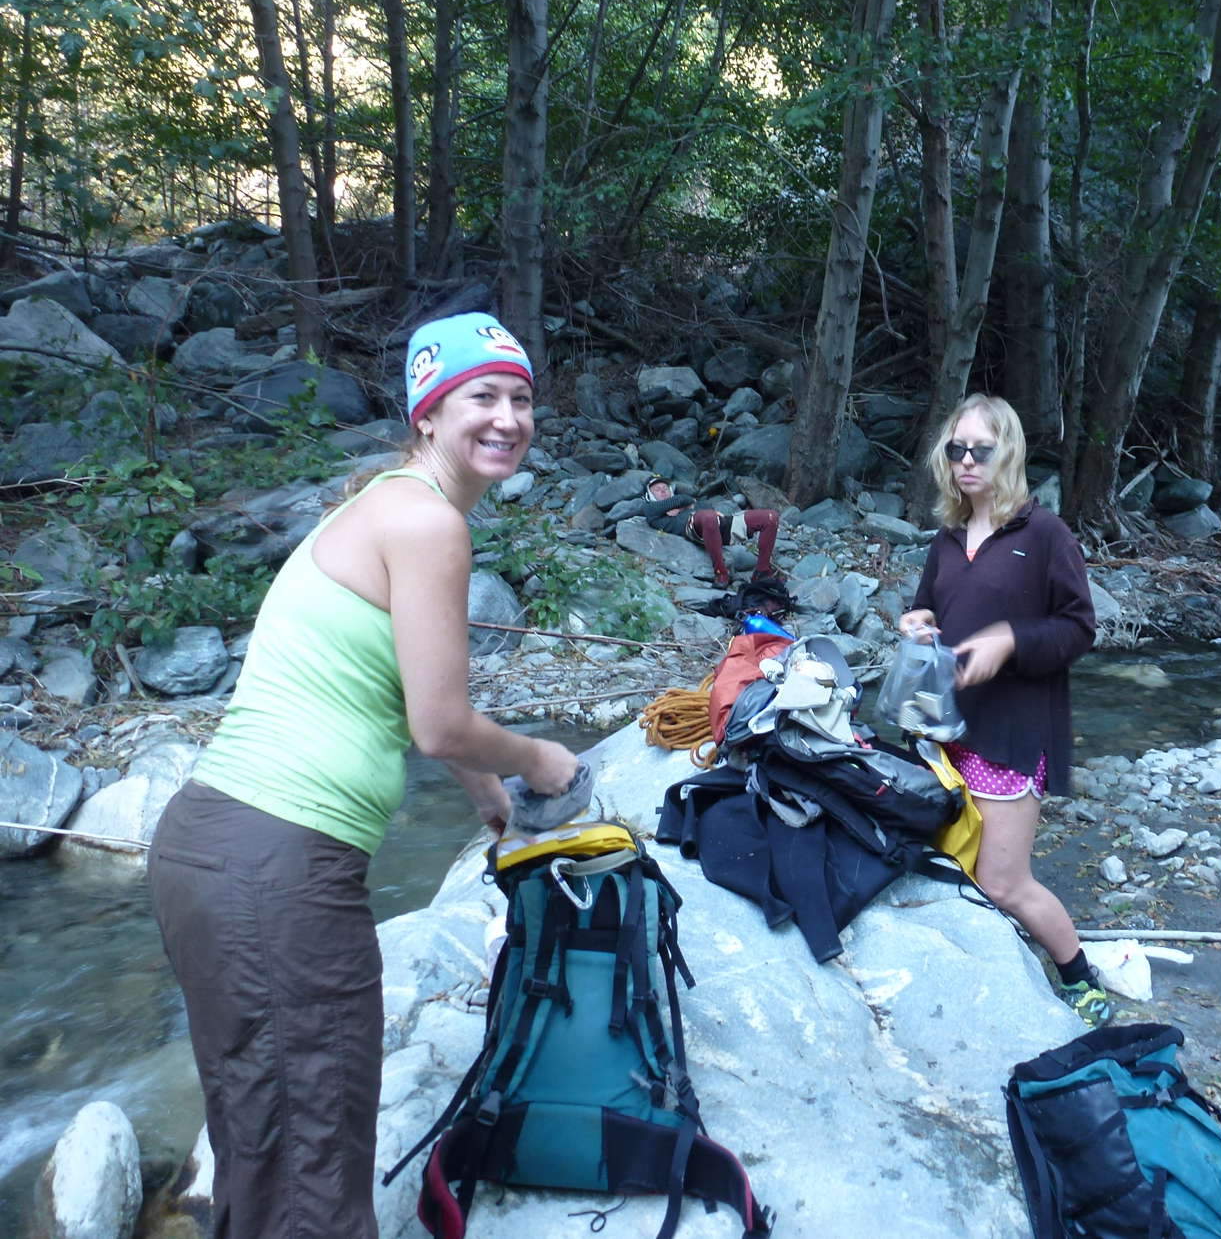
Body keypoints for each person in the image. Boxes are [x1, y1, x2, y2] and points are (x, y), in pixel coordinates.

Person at [147, 311, 580, 1239]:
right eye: (482, 396)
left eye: (521, 398)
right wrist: (539, 758)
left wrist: (487, 793)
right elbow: (440, 721)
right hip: (277, 871)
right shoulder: (428, 522)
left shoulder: (382, 503)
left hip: (216, 853)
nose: (508, 417)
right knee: (311, 1182)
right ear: (429, 414)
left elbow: (400, 690)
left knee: (265, 1155)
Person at [897, 393, 1108, 1025]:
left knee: (1003, 882)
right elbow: (930, 605)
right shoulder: (947, 538)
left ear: (1008, 453)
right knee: (952, 860)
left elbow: (1079, 628)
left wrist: (1011, 639)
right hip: (948, 729)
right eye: (956, 449)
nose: (966, 461)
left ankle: (1081, 977)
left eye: (981, 451)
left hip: (1013, 733)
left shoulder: (1044, 535)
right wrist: (918, 621)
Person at [643, 475, 780, 587]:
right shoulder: (650, 509)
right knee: (708, 516)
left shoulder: (682, 504)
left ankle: (762, 572)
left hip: (720, 524)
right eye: (657, 489)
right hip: (693, 528)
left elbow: (705, 505)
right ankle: (721, 573)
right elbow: (683, 499)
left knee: (770, 517)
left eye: (665, 488)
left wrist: (682, 507)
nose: (663, 491)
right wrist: (686, 504)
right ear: (650, 495)